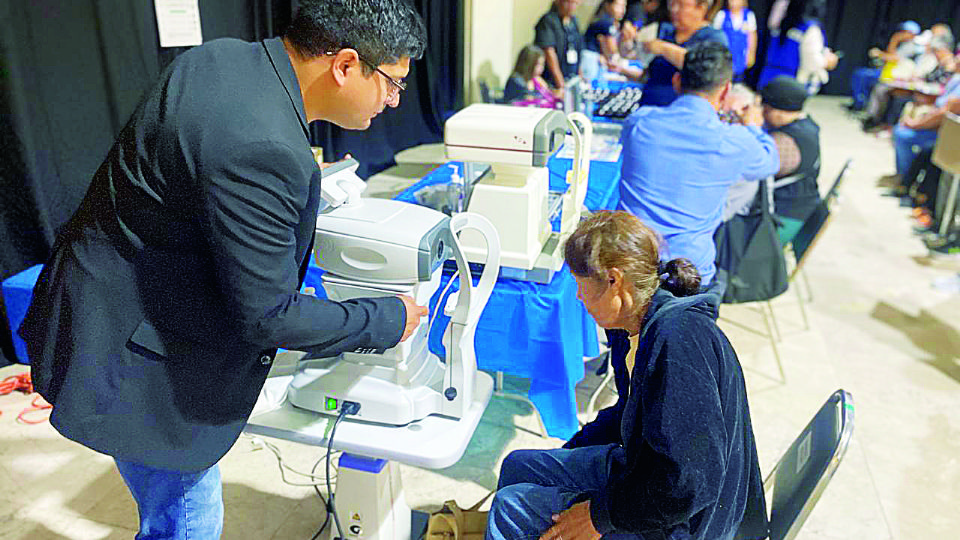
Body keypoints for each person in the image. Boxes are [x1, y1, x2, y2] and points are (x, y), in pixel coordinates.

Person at [18, 0, 429, 537]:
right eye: (392, 83)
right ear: (346, 65)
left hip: (108, 295)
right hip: (136, 353)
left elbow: (197, 179)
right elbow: (269, 317)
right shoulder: (264, 147)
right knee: (187, 520)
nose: (395, 101)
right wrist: (388, 318)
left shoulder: (223, 60)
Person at [485, 211, 769, 540]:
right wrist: (569, 455)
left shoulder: (678, 340)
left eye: (581, 286)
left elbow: (690, 483)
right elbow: (630, 415)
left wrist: (600, 516)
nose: (578, 297)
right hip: (650, 476)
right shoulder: (632, 326)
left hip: (690, 523)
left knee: (511, 507)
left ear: (614, 281)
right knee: (518, 467)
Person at [617, 41, 779, 286]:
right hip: (688, 276)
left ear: (677, 81)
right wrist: (753, 126)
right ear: (725, 92)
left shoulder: (638, 123)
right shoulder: (735, 141)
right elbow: (770, 162)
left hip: (629, 266)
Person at [760, 76, 822, 244]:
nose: (762, 114)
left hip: (783, 219)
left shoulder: (786, 141)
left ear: (777, 111)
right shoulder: (808, 125)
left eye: (765, 109)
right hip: (800, 209)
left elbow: (750, 169)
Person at [636, 0, 728, 107]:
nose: (674, 10)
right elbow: (634, 51)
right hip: (650, 108)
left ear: (701, 7)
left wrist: (664, 48)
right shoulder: (664, 30)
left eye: (681, 5)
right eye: (671, 4)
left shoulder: (713, 37)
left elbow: (704, 68)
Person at [888, 73, 960, 184]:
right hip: (937, 125)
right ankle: (903, 177)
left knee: (903, 135)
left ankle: (905, 178)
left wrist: (916, 124)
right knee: (900, 129)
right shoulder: (955, 79)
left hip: (946, 134)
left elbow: (944, 113)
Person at [757, 0, 838, 93]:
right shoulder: (809, 29)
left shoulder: (778, 22)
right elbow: (813, 62)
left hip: (768, 77)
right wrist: (828, 61)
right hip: (791, 83)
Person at [535, 0, 585, 96]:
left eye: (575, 3)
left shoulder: (574, 21)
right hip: (553, 81)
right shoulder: (548, 21)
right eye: (569, 2)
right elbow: (549, 52)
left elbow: (578, 52)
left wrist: (580, 78)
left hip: (571, 76)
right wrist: (561, 84)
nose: (572, 6)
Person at [712, 0, 757, 81]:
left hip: (740, 56)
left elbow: (752, 36)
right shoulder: (721, 15)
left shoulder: (749, 15)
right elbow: (714, 36)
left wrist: (751, 54)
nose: (732, 2)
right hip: (724, 55)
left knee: (738, 80)